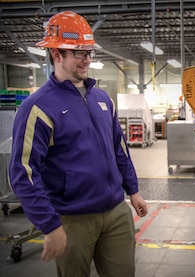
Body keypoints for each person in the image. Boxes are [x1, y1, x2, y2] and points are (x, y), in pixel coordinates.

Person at [8, 11, 148, 276]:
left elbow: (118, 148)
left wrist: (133, 190)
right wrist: (49, 225)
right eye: (79, 52)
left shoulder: (103, 99)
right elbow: (23, 173)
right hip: (72, 218)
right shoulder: (37, 108)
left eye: (89, 52)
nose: (87, 59)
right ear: (56, 54)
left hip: (116, 211)